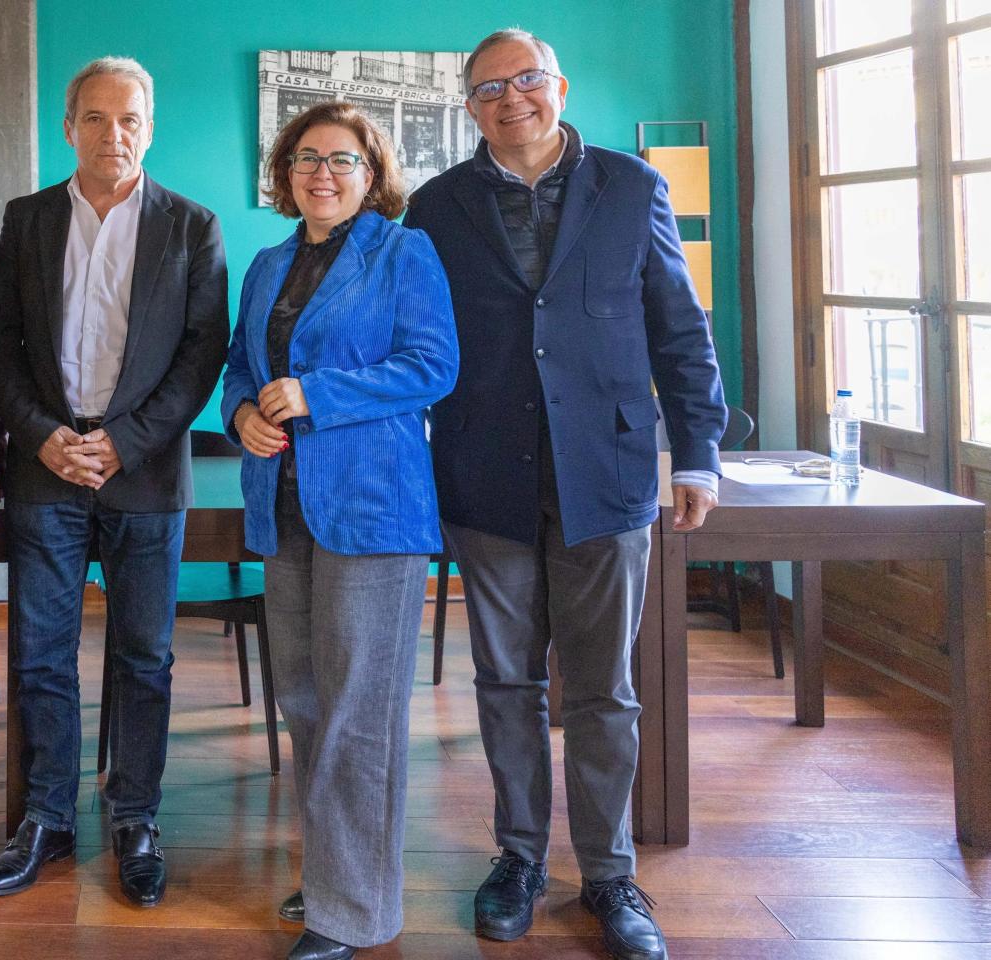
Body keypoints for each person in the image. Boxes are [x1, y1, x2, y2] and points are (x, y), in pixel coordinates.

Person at [404, 28, 728, 960]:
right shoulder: (437, 204)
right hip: (484, 474)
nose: (512, 99)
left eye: (527, 80)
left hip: (610, 471)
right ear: (468, 108)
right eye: (489, 89)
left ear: (559, 85)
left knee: (604, 690)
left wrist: (697, 453)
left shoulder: (631, 186)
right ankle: (516, 859)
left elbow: (680, 326)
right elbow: (419, 343)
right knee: (506, 682)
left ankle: (610, 873)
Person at [0, 56, 228, 907]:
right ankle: (47, 818)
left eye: (128, 120)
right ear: (69, 126)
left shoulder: (191, 227)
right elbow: (1, 345)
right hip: (45, 472)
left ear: (148, 127)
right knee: (42, 654)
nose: (111, 134)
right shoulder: (27, 218)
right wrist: (43, 436)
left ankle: (135, 818)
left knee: (145, 657)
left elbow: (202, 356)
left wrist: (122, 442)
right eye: (94, 118)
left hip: (145, 475)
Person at [221, 102, 458, 960]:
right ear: (286, 172)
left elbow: (434, 367)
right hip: (281, 505)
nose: (323, 173)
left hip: (372, 507)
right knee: (309, 702)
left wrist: (319, 395)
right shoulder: (267, 264)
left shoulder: (404, 253)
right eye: (307, 158)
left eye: (343, 161)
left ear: (372, 173)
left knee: (361, 713)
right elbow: (241, 368)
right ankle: (335, 874)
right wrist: (243, 410)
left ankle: (354, 912)